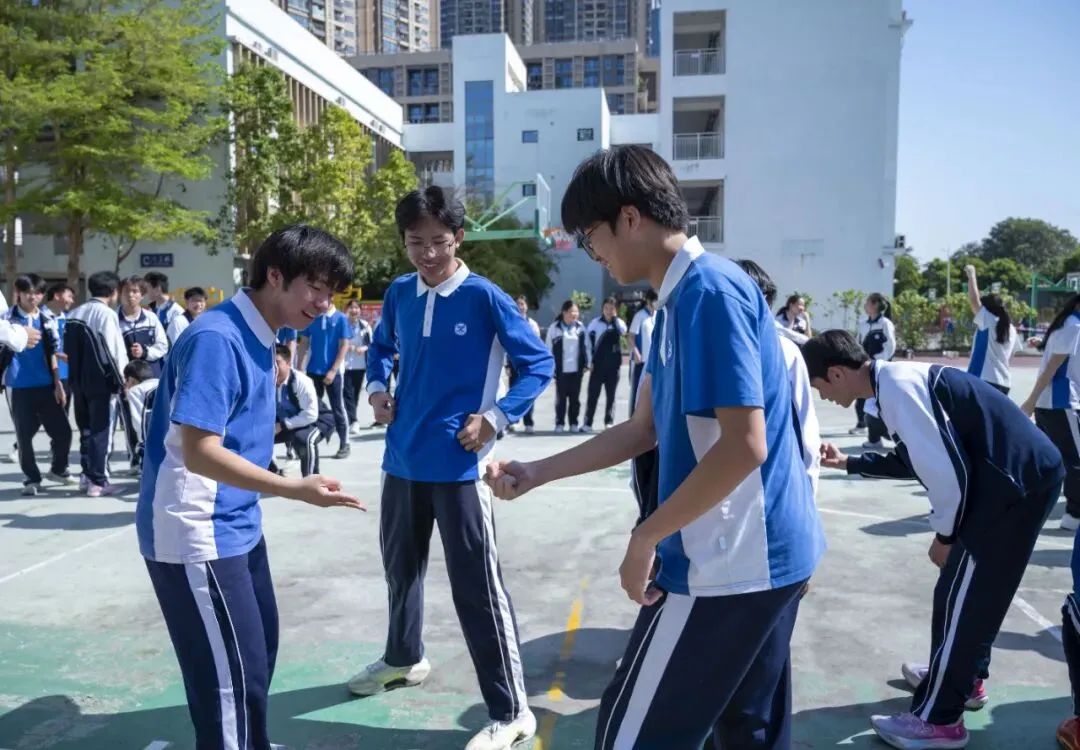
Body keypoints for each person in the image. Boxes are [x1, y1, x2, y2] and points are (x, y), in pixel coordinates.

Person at [486, 145, 824, 750]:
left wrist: (648, 537)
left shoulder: (708, 293)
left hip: (732, 561)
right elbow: (644, 430)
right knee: (747, 731)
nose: (594, 253)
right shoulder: (672, 304)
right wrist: (537, 470)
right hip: (761, 555)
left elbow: (746, 446)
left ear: (630, 217)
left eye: (591, 236)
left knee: (630, 734)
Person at [136, 225, 364, 750]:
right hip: (195, 531)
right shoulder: (219, 337)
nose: (325, 304)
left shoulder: (265, 334)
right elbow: (199, 451)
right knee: (229, 679)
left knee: (254, 658)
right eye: (317, 288)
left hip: (236, 524)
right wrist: (291, 488)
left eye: (333, 293)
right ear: (275, 275)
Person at [350, 185, 554, 750]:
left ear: (458, 238)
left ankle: (512, 711)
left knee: (477, 591)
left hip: (462, 470)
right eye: (416, 242)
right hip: (403, 460)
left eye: (439, 242)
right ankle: (402, 657)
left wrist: (495, 419)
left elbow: (539, 365)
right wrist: (375, 388)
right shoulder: (398, 293)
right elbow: (384, 349)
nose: (428, 254)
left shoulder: (485, 298)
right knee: (401, 570)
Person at [805, 329, 1064, 749]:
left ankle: (941, 720)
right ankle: (963, 679)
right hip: (1011, 480)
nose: (821, 397)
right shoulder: (891, 384)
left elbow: (948, 476)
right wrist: (850, 462)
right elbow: (918, 458)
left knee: (969, 598)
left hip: (1012, 486)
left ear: (835, 373)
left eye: (817, 387)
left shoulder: (898, 390)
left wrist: (945, 534)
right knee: (959, 594)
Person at [735, 259, 821, 497]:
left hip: (773, 489)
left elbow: (804, 427)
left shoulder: (784, 351)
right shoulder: (697, 350)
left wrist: (807, 493)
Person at [5, 274, 72, 495]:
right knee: (24, 436)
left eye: (37, 293)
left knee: (63, 432)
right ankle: (31, 479)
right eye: (28, 292)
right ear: (19, 293)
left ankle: (58, 469)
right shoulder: (6, 320)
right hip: (19, 385)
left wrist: (57, 383)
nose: (33, 297)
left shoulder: (47, 319)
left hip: (45, 384)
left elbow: (52, 352)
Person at [65, 270, 129, 497]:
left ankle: (86, 475)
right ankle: (98, 481)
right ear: (114, 292)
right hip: (101, 382)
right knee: (102, 431)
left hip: (77, 380)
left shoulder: (74, 313)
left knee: (86, 430)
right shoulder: (107, 315)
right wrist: (123, 380)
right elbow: (114, 351)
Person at [1020, 293, 1080, 531]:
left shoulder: (1066, 326)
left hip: (1054, 404)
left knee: (1048, 460)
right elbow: (1053, 368)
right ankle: (1074, 515)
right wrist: (1031, 401)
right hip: (1060, 402)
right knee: (1075, 461)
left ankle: (1030, 506)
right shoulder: (1073, 326)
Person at [297, 292, 351, 458]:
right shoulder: (313, 318)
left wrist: (333, 370)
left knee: (337, 408)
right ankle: (308, 442)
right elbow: (304, 343)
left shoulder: (340, 318)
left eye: (321, 299)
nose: (318, 303)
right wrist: (300, 369)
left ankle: (344, 443)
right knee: (311, 407)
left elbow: (344, 345)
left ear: (331, 299)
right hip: (314, 371)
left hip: (333, 373)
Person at [270, 343, 335, 477]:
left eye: (278, 362)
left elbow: (310, 415)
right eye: (270, 363)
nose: (274, 368)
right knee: (256, 436)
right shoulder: (267, 381)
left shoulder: (301, 381)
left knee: (305, 439)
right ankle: (273, 474)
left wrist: (281, 425)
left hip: (317, 420)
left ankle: (311, 480)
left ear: (288, 363)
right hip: (286, 422)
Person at [962, 265, 1020, 395]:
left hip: (983, 380)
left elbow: (974, 300)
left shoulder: (989, 321)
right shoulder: (1011, 328)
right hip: (1004, 383)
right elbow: (1010, 357)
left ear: (987, 309)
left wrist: (971, 275)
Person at [853, 292, 896, 450]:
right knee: (862, 402)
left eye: (867, 302)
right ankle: (871, 434)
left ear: (876, 305)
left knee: (878, 404)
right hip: (866, 368)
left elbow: (890, 347)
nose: (865, 305)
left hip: (880, 369)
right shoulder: (863, 323)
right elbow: (858, 344)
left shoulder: (885, 323)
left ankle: (881, 436)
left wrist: (877, 361)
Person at [583, 296, 627, 432]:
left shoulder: (618, 323)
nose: (608, 311)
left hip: (613, 367)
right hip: (597, 366)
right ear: (602, 309)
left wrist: (614, 320)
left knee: (611, 396)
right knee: (592, 395)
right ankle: (587, 423)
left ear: (616, 310)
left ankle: (609, 421)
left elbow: (623, 331)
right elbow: (587, 344)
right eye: (606, 308)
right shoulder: (595, 324)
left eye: (612, 309)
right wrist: (589, 362)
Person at [545, 300, 588, 433]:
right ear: (564, 312)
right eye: (571, 312)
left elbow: (587, 346)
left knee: (575, 398)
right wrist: (550, 367)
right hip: (561, 369)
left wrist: (588, 362)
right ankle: (560, 423)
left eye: (576, 312)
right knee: (561, 398)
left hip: (576, 369)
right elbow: (548, 347)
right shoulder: (555, 327)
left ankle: (574, 423)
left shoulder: (580, 328)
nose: (574, 314)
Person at [118, 274, 169, 377]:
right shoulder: (114, 320)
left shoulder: (151, 318)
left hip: (152, 376)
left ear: (142, 295)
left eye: (135, 291)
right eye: (126, 291)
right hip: (127, 379)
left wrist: (144, 353)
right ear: (120, 294)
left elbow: (163, 346)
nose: (130, 295)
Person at [507, 295, 542, 434]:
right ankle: (514, 421)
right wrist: (507, 365)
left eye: (522, 304)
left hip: (528, 365)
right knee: (514, 393)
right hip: (514, 363)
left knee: (528, 393)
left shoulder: (532, 324)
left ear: (527, 306)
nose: (520, 306)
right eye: (518, 304)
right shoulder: (509, 322)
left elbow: (538, 345)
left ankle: (529, 422)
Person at [342, 298, 373, 436]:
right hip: (344, 364)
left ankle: (351, 417)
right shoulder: (342, 324)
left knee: (354, 393)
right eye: (351, 308)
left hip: (360, 364)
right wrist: (350, 347)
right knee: (347, 393)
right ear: (347, 310)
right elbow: (338, 341)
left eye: (356, 308)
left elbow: (371, 343)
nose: (354, 310)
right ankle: (353, 420)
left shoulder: (364, 325)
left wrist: (363, 348)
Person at [123, 360, 159, 474]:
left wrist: (141, 444)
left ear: (131, 379)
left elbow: (137, 419)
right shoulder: (160, 382)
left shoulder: (135, 391)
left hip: (149, 439)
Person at [628, 289, 658, 417]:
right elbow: (630, 336)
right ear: (649, 301)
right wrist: (636, 352)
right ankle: (633, 418)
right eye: (655, 301)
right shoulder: (640, 315)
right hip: (640, 361)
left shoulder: (658, 315)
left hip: (653, 361)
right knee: (637, 391)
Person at [142, 271, 186, 345]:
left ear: (157, 289)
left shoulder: (177, 311)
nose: (146, 291)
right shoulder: (149, 310)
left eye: (148, 287)